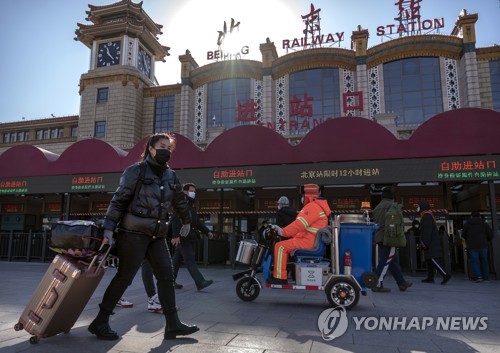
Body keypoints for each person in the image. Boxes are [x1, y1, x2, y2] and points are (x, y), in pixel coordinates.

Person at [88, 133, 198, 341]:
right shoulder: (135, 171)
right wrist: (109, 229)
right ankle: (100, 321)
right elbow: (119, 201)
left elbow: (179, 202)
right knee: (125, 277)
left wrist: (186, 221)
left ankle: (173, 325)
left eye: (169, 147)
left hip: (157, 235)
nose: (165, 150)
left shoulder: (171, 176)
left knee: (166, 277)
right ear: (151, 148)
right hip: (133, 233)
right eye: (161, 145)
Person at [267, 184, 331, 285]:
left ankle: (280, 278)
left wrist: (282, 232)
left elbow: (299, 225)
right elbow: (304, 229)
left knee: (280, 247)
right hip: (311, 240)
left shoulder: (312, 207)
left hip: (309, 242)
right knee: (284, 244)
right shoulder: (318, 206)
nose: (301, 198)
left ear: (307, 195)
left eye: (302, 195)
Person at [171, 183, 214, 290]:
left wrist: (207, 231)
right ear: (185, 192)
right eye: (191, 191)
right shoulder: (181, 203)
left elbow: (197, 222)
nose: (193, 193)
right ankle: (200, 282)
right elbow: (175, 219)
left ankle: (169, 282)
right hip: (182, 237)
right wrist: (175, 236)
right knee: (190, 259)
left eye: (194, 192)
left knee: (176, 261)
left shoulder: (190, 206)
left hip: (186, 237)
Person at [372, 188, 413, 293]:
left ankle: (401, 283)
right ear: (392, 197)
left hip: (379, 237)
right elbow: (398, 224)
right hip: (389, 238)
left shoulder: (377, 208)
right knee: (385, 261)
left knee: (393, 261)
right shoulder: (393, 206)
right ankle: (376, 283)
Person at [419, 200, 451, 285]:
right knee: (429, 260)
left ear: (422, 207)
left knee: (433, 260)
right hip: (431, 242)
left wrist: (425, 243)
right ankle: (430, 277)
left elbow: (426, 231)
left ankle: (445, 275)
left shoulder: (426, 216)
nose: (417, 208)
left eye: (418, 206)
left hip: (431, 243)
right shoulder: (428, 215)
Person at [462, 211, 493, 282]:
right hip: (483, 245)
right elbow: (491, 235)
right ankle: (486, 277)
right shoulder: (484, 224)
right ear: (479, 216)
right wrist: (486, 240)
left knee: (474, 261)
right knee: (484, 261)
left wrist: (469, 239)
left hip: (472, 246)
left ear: (471, 217)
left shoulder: (467, 224)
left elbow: (463, 235)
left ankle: (478, 276)